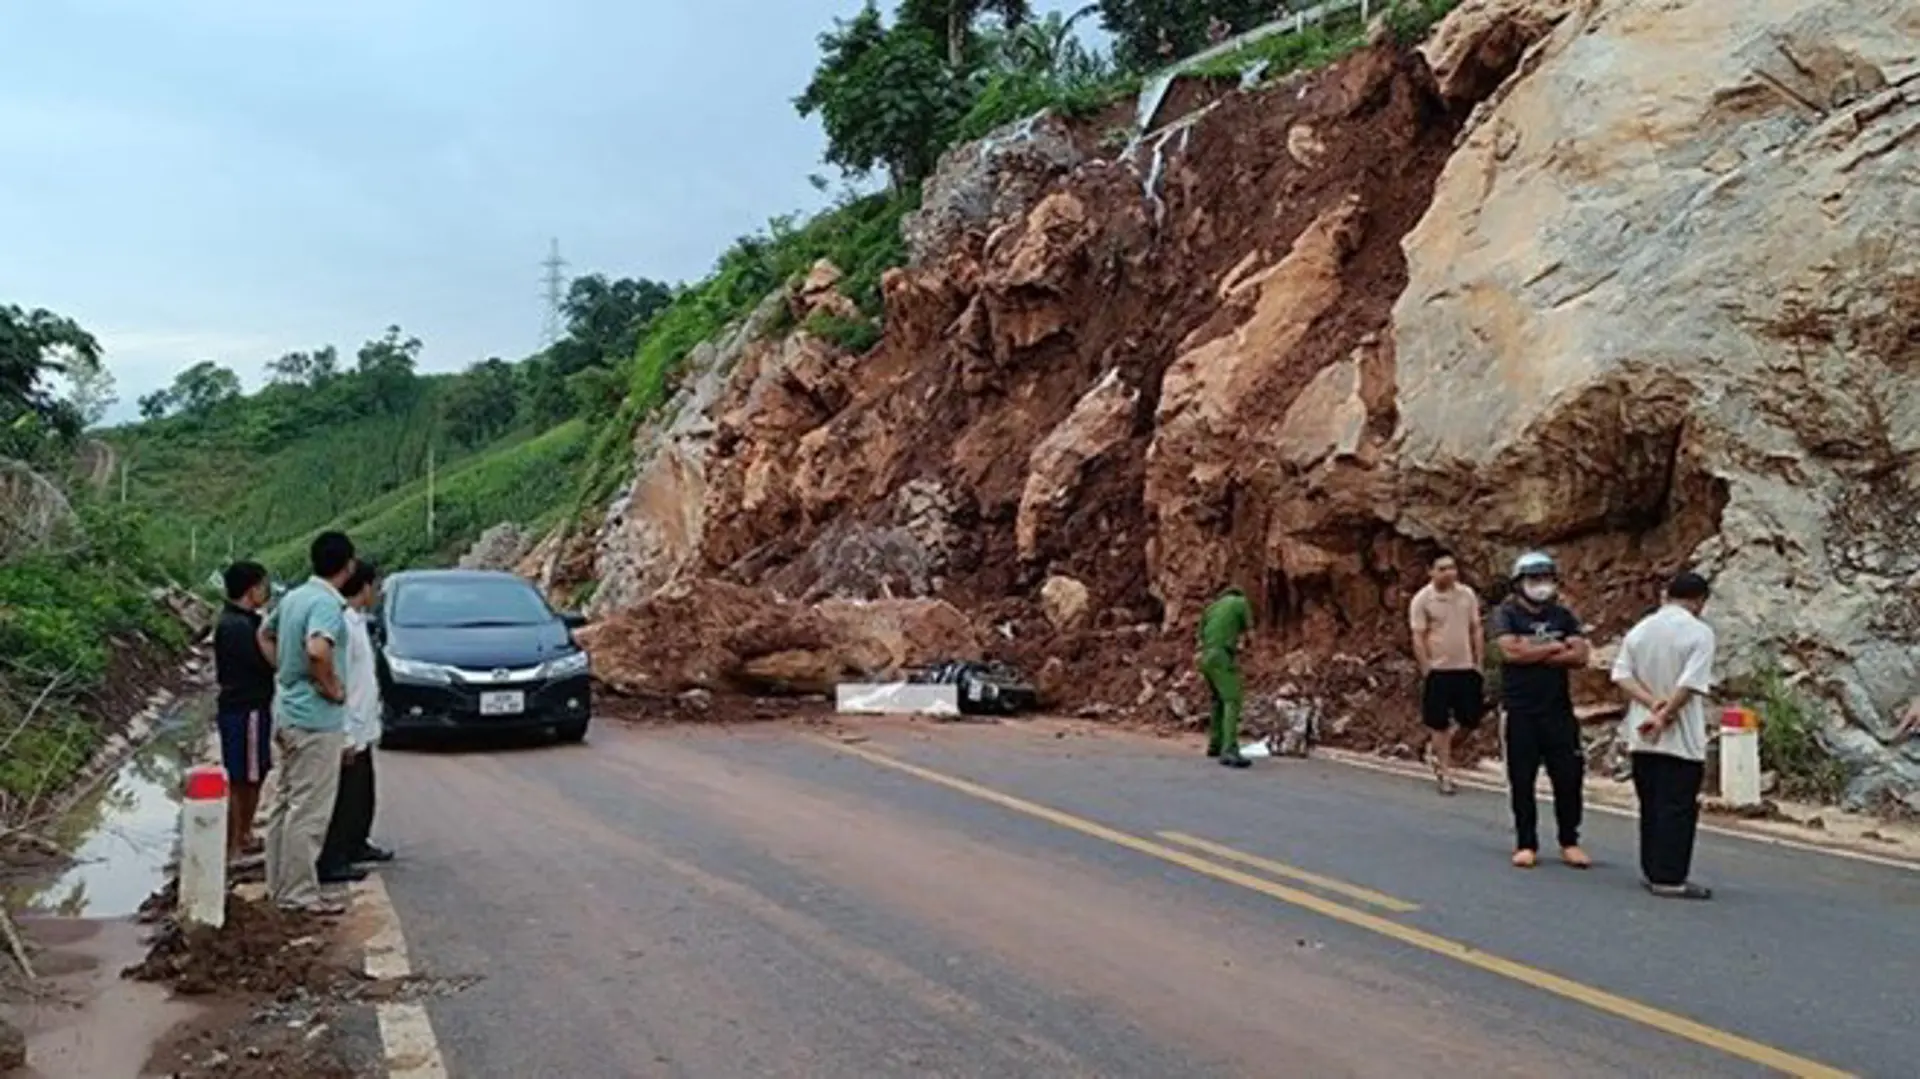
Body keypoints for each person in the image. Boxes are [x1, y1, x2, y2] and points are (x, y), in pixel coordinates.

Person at [260, 531, 357, 915]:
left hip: (286, 711)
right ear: (347, 565)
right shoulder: (326, 605)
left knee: (285, 803)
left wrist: (286, 673)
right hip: (315, 720)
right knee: (309, 809)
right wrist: (330, 686)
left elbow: (264, 634)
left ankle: (279, 884)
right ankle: (299, 894)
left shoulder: (294, 597)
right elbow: (319, 650)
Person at [1612, 571, 1717, 900]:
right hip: (1679, 738)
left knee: (1651, 804)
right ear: (1699, 601)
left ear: (1667, 595)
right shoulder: (1699, 633)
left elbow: (1621, 675)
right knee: (1678, 806)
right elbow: (1690, 683)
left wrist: (1650, 704)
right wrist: (1665, 714)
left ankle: (1652, 868)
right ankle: (1670, 877)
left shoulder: (1641, 630)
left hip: (1640, 735)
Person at [1492, 551, 1592, 870]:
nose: (1541, 586)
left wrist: (1532, 650)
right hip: (1521, 711)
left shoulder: (1562, 615)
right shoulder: (1505, 614)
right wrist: (1552, 647)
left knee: (1569, 777)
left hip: (1558, 711)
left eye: (1546, 579)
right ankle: (1526, 842)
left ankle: (1569, 840)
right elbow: (1510, 652)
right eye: (1534, 580)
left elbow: (1580, 655)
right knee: (1522, 779)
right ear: (1519, 584)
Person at [319, 561, 393, 882]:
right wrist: (346, 733)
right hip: (350, 724)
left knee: (362, 792)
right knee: (344, 797)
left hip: (363, 724)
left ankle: (356, 843)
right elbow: (339, 678)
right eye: (372, 586)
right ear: (363, 587)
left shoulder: (358, 621)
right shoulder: (343, 626)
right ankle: (334, 858)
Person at [213, 561, 276, 869]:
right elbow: (265, 663)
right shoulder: (238, 627)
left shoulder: (241, 621)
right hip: (245, 708)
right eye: (264, 586)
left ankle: (244, 834)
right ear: (252, 589)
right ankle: (236, 841)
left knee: (254, 772)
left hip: (248, 707)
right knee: (244, 779)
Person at [1409, 552, 1485, 796]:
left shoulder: (1467, 595)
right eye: (1442, 569)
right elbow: (1418, 636)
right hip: (1439, 670)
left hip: (1466, 667)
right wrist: (1426, 668)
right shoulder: (1423, 600)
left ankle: (1438, 751)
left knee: (1470, 719)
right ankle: (1444, 772)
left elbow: (1476, 628)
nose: (1449, 573)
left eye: (1452, 567)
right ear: (1431, 572)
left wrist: (1479, 662)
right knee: (1439, 722)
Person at [1197, 586, 1255, 769]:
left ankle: (1215, 744)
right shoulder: (1240, 602)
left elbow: (1200, 636)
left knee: (1217, 699)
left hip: (1204, 657)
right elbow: (1251, 634)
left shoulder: (1211, 608)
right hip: (1221, 656)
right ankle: (1229, 749)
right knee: (1232, 699)